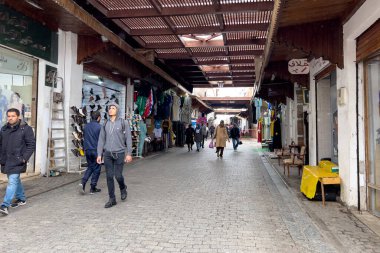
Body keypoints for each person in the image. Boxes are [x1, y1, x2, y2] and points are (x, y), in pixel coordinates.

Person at [0, 108, 36, 215]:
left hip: (18, 160)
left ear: (18, 117)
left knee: (12, 181)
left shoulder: (25, 129)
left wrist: (24, 158)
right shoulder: (4, 129)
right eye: (9, 116)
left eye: (13, 116)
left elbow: (31, 145)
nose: (10, 118)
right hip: (6, 160)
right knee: (15, 180)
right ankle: (21, 198)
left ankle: (5, 205)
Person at [97, 102, 132, 208]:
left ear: (117, 110)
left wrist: (129, 153)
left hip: (120, 153)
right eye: (109, 108)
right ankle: (112, 199)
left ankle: (122, 187)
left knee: (118, 176)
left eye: (113, 108)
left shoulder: (123, 122)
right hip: (107, 153)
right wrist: (99, 154)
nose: (110, 109)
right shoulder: (105, 123)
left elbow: (128, 138)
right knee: (109, 176)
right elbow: (101, 139)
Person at [79, 110, 102, 195]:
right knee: (97, 168)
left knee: (91, 167)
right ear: (99, 118)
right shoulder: (100, 127)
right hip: (96, 150)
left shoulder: (86, 126)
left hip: (87, 149)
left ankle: (83, 182)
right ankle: (92, 187)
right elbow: (101, 140)